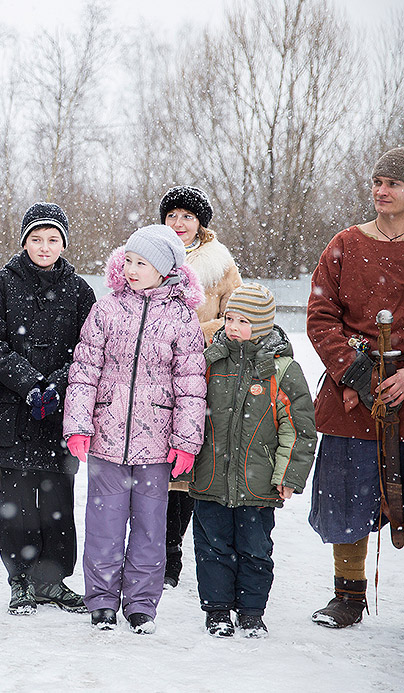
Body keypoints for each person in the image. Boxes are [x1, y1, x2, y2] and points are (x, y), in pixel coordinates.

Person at [63, 224, 206, 634]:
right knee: (104, 526)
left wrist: (186, 441)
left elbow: (191, 385)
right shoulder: (106, 309)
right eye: (128, 260)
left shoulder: (182, 318)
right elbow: (85, 370)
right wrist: (78, 424)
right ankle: (102, 600)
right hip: (106, 437)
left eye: (141, 263)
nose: (131, 269)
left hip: (157, 443)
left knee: (149, 527)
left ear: (164, 270)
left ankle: (141, 604)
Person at [0, 203, 95, 615]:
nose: (44, 247)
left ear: (64, 244)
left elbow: (87, 349)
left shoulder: (80, 291)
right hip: (13, 412)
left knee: (57, 502)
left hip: (60, 414)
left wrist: (55, 386)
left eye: (52, 239)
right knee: (17, 503)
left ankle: (52, 579)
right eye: (36, 238)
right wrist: (30, 384)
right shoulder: (0, 284)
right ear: (24, 241)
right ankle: (21, 579)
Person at [306, 146, 404, 628]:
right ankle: (347, 596)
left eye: (394, 183)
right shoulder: (345, 243)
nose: (381, 191)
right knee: (346, 496)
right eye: (377, 181)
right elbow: (321, 315)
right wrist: (356, 373)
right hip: (351, 396)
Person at [190, 283, 315, 638]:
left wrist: (288, 475)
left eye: (243, 321)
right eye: (229, 318)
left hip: (257, 484)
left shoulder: (282, 369)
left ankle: (251, 612)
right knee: (212, 548)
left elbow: (299, 429)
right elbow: (188, 411)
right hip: (211, 478)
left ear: (260, 325)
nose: (232, 327)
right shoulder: (210, 362)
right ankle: (216, 610)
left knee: (255, 551)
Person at [160, 185, 242, 588]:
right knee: (153, 465)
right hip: (154, 374)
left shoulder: (220, 264)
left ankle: (172, 552)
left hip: (200, 373)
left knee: (185, 467)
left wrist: (193, 332)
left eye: (187, 217)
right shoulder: (149, 255)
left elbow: (236, 317)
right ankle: (155, 550)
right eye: (172, 215)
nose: (179, 223)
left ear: (201, 224)